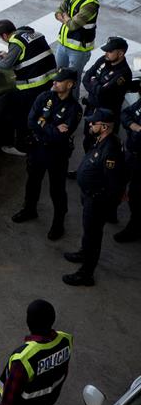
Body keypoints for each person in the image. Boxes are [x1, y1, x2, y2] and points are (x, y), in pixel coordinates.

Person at [11, 68, 82, 240]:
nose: (54, 83)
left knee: (57, 190)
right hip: (37, 149)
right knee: (32, 182)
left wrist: (42, 125)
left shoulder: (74, 109)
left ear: (70, 84)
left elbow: (61, 135)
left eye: (59, 81)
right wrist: (51, 127)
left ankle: (58, 223)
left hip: (57, 154)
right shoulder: (45, 97)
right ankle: (30, 210)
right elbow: (30, 121)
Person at [63, 108, 124, 286]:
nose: (90, 124)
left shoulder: (111, 149)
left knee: (93, 236)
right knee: (88, 232)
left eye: (93, 123)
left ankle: (86, 274)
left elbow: (114, 182)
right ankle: (84, 253)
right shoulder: (100, 140)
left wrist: (104, 203)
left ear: (104, 127)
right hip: (89, 195)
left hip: (97, 200)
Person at [0, 20, 57, 156]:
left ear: (4, 36)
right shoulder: (34, 34)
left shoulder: (16, 42)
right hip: (49, 81)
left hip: (33, 85)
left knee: (19, 115)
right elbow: (29, 54)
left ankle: (21, 146)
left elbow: (5, 66)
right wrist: (8, 56)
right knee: (40, 111)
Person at [0, 300, 72, 405]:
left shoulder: (23, 358)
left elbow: (9, 399)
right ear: (53, 319)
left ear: (28, 321)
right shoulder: (66, 339)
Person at [80, 37, 132, 151]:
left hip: (105, 116)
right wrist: (97, 85)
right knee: (87, 140)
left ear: (120, 53)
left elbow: (103, 93)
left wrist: (94, 82)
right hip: (91, 109)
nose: (106, 53)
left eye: (110, 51)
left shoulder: (124, 73)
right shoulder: (104, 59)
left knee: (102, 147)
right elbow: (86, 78)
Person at [54, 0, 99, 98]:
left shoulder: (90, 2)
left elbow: (73, 25)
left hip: (78, 50)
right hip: (62, 45)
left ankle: (71, 108)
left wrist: (66, 18)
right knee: (59, 77)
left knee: (72, 82)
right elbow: (57, 12)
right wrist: (67, 18)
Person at [116, 92, 141, 242]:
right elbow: (125, 113)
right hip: (130, 154)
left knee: (136, 196)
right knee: (118, 183)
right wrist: (135, 126)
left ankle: (134, 228)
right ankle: (111, 212)